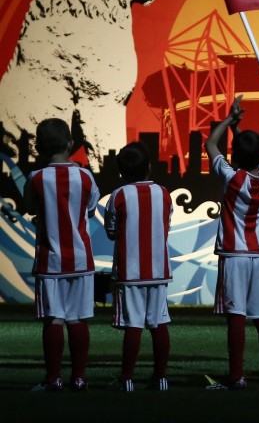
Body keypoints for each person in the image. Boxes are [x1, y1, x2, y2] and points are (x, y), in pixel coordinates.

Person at [204, 96, 259, 390]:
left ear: (235, 155)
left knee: (236, 316)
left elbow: (211, 144)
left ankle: (237, 376)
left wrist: (230, 121)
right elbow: (258, 151)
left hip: (234, 254)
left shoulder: (231, 176)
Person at [22, 117, 101, 392]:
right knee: (77, 318)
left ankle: (53, 378)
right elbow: (91, 209)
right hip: (80, 259)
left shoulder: (36, 178)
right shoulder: (85, 176)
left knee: (53, 319)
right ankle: (79, 378)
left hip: (50, 260)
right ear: (70, 143)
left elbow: (30, 208)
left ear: (38, 148)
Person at [104, 141, 173, 392]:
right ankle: (161, 377)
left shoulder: (119, 195)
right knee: (159, 323)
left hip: (130, 271)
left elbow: (111, 231)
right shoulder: (164, 193)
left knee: (133, 326)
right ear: (149, 167)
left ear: (122, 172)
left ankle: (127, 379)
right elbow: (167, 224)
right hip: (158, 271)